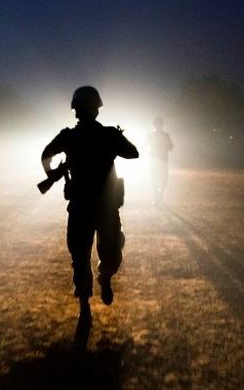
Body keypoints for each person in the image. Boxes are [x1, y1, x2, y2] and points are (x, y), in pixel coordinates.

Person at [41, 86, 139, 327]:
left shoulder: (68, 136)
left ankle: (85, 306)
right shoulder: (108, 135)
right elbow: (133, 153)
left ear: (76, 110)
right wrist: (117, 137)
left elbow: (45, 156)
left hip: (82, 207)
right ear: (97, 109)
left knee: (80, 257)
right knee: (108, 251)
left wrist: (53, 173)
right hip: (103, 207)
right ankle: (102, 280)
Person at [146, 116, 173, 204]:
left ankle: (159, 194)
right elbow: (145, 145)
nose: (157, 125)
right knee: (155, 178)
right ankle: (156, 196)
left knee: (163, 178)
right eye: (156, 124)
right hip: (156, 159)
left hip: (161, 159)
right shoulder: (151, 135)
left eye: (158, 124)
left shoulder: (165, 135)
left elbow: (171, 146)